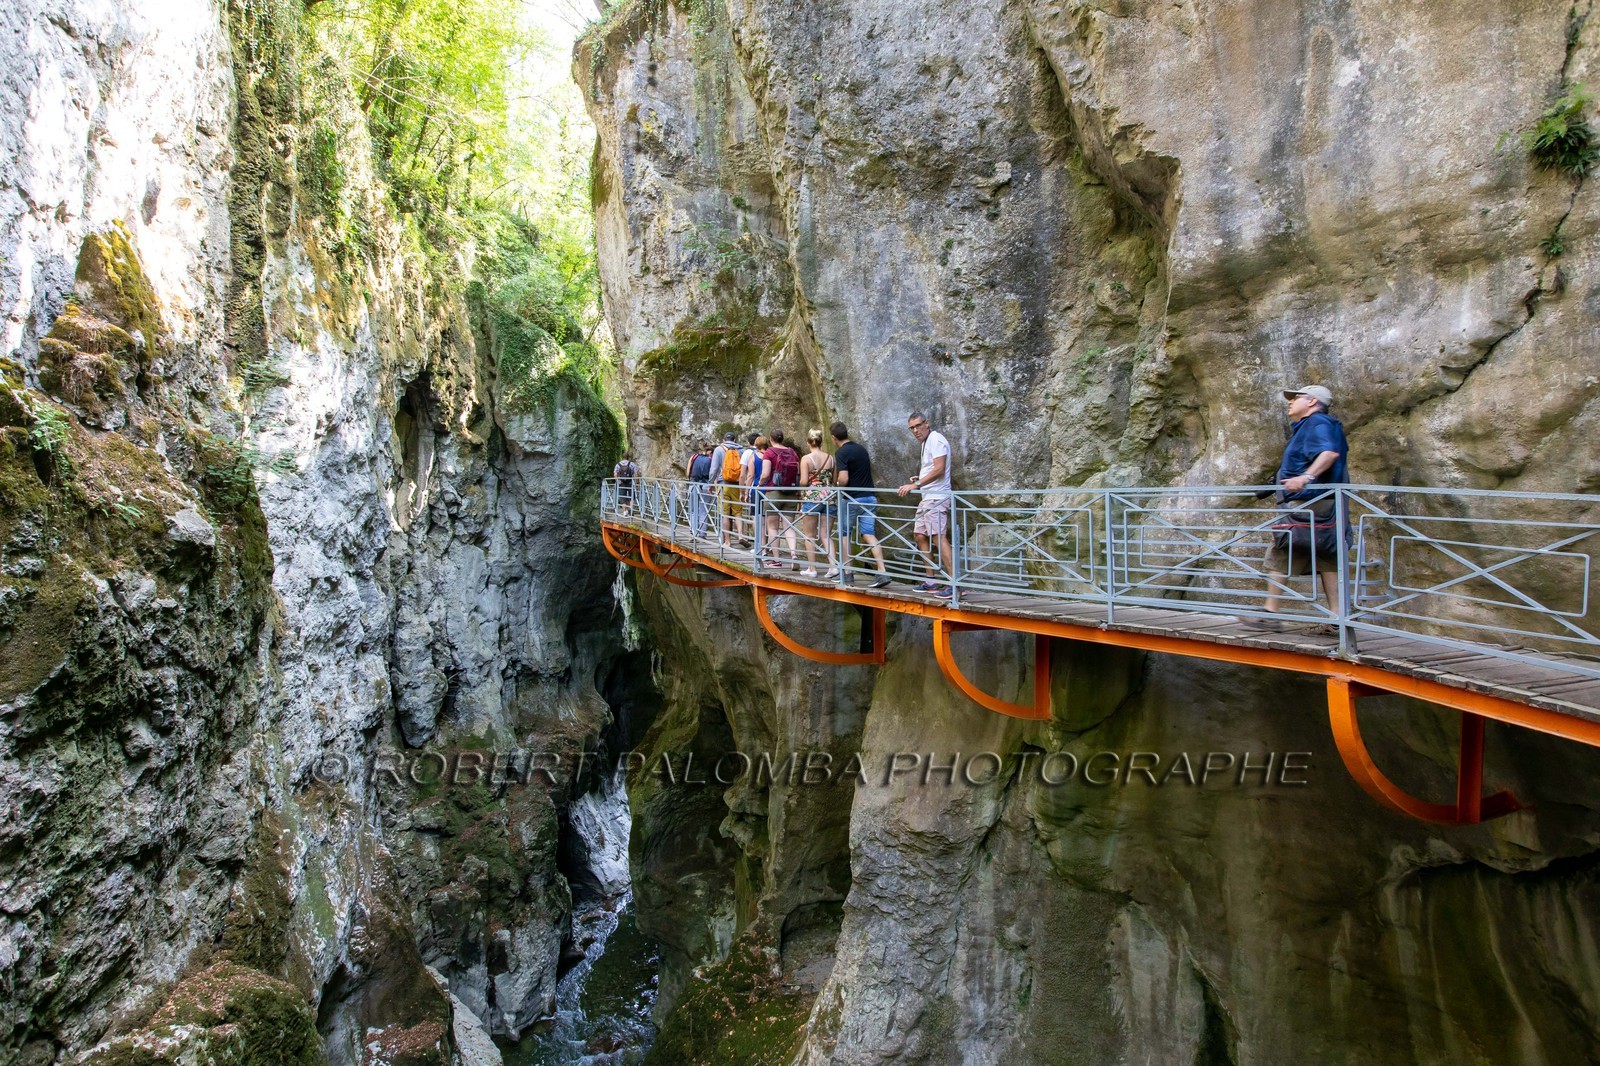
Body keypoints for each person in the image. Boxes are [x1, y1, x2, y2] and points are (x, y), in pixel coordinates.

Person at [1254, 384, 1349, 630]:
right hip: (1323, 503)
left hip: (1308, 502)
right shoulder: (1318, 425)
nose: (1290, 401)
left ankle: (1270, 614)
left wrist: (1303, 478)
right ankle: (1337, 620)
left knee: (1282, 547)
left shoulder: (1317, 423)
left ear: (1312, 401)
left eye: (1295, 398)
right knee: (1327, 554)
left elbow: (1328, 454)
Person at [897, 412, 952, 593]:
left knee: (938, 536)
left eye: (918, 425)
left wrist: (916, 484)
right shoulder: (925, 443)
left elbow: (939, 469)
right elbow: (932, 469)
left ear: (926, 423)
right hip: (927, 498)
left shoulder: (935, 439)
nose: (915, 430)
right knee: (920, 535)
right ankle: (930, 581)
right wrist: (919, 477)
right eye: (912, 428)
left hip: (937, 497)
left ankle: (955, 584)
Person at [832, 422, 891, 588]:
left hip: (851, 499)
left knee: (845, 534)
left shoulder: (841, 452)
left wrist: (836, 486)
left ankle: (848, 573)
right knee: (868, 533)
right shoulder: (861, 449)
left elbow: (843, 478)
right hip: (869, 498)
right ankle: (882, 571)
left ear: (834, 438)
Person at [797, 428, 838, 577]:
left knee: (809, 535)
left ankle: (812, 569)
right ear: (821, 442)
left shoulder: (806, 459)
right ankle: (834, 567)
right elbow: (834, 480)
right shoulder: (831, 458)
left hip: (813, 497)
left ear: (808, 442)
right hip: (830, 497)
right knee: (826, 534)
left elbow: (803, 481)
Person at [760, 430, 801, 568]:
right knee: (789, 526)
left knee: (772, 527)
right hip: (791, 492)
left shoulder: (769, 452)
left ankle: (776, 560)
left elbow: (765, 474)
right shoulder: (792, 452)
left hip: (774, 492)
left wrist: (760, 484)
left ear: (770, 439)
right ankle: (794, 555)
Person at [711, 431, 741, 546]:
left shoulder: (719, 450)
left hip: (723, 484)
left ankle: (727, 540)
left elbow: (714, 469)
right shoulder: (740, 450)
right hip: (737, 485)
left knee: (724, 513)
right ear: (734, 439)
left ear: (724, 439)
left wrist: (710, 483)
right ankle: (741, 536)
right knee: (738, 512)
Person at [685, 439, 713, 539]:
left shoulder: (694, 457)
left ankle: (693, 531)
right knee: (703, 510)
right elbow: (713, 474)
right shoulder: (711, 459)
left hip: (693, 485)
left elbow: (688, 473)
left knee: (692, 510)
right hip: (706, 486)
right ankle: (702, 533)